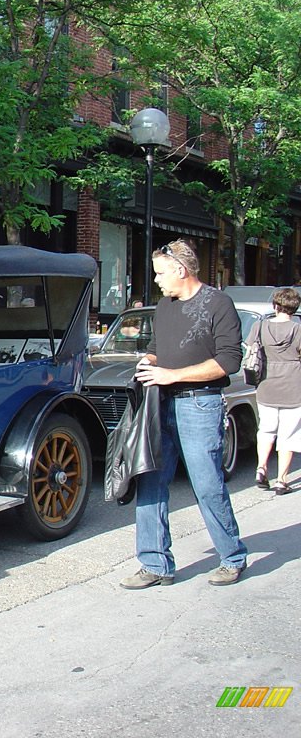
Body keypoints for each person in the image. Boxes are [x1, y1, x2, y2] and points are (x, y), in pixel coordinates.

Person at [125, 239, 248, 588]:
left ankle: (232, 557)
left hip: (199, 404)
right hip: (160, 404)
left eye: (161, 273)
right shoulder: (165, 306)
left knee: (207, 484)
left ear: (181, 270)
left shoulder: (218, 304)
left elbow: (229, 361)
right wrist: (147, 362)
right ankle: (154, 564)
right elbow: (155, 349)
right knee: (149, 481)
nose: (157, 281)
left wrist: (171, 375)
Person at [247, 287, 301, 496]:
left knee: (266, 429)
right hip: (293, 385)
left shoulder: (259, 326)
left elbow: (250, 350)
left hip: (266, 384)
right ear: (294, 309)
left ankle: (261, 467)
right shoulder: (298, 330)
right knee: (289, 434)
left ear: (275, 306)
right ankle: (281, 480)